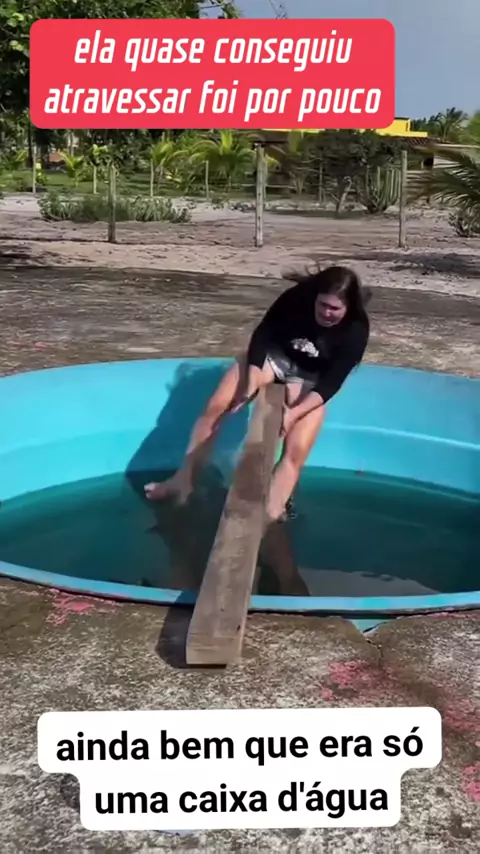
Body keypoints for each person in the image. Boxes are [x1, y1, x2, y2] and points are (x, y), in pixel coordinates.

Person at [145, 265, 370, 521]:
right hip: (275, 358)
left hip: (312, 378)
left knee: (296, 449)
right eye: (323, 305)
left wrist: (294, 413)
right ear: (316, 295)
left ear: (349, 307)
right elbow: (262, 335)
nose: (327, 313)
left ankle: (272, 510)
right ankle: (181, 482)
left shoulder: (356, 329)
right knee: (216, 407)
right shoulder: (297, 297)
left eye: (335, 309)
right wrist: (252, 380)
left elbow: (331, 383)